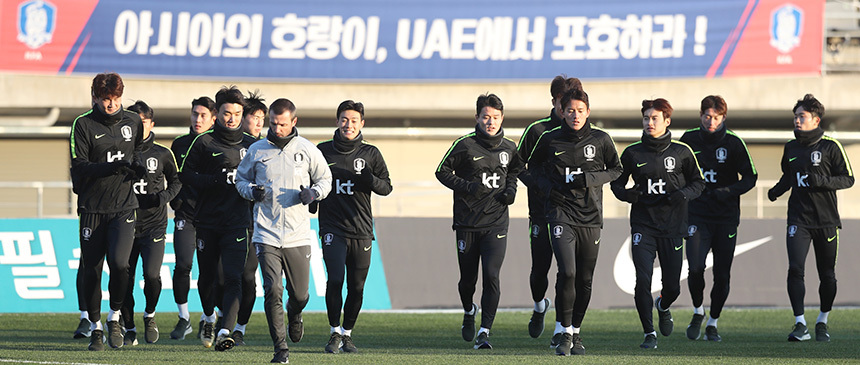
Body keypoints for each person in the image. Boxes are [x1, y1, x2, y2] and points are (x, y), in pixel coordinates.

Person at [520, 89, 621, 355]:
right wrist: (546, 188)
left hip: (590, 216)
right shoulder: (548, 139)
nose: (575, 115)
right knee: (568, 272)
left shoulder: (601, 139)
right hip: (559, 213)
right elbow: (522, 168)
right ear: (561, 112)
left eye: (580, 110)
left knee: (584, 279)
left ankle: (575, 332)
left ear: (588, 111)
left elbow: (617, 169)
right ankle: (563, 332)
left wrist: (590, 179)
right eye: (570, 111)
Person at [236, 98, 332, 364]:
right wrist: (251, 191)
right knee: (272, 290)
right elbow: (240, 179)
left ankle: (296, 312)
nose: (277, 128)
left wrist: (314, 193)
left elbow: (326, 179)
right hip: (266, 233)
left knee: (300, 294)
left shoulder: (307, 149)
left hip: (297, 234)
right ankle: (281, 349)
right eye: (274, 123)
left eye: (282, 124)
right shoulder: (256, 150)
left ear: (294, 122)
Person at [610, 98, 704, 349]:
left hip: (673, 227)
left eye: (654, 118)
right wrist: (626, 194)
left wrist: (683, 194)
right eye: (646, 118)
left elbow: (698, 183)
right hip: (644, 225)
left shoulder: (682, 151)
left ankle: (663, 305)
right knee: (642, 280)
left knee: (672, 287)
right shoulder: (632, 153)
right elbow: (616, 184)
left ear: (667, 121)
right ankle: (648, 333)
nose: (649, 123)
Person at [436, 93, 522, 350]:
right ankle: (468, 310)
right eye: (486, 117)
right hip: (467, 223)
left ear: (502, 118)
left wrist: (511, 191)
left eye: (495, 117)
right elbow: (441, 171)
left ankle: (485, 332)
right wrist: (467, 187)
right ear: (477, 118)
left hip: (496, 223)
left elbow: (515, 171)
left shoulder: (509, 147)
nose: (490, 122)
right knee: (467, 280)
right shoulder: (464, 145)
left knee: (492, 276)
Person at [767, 94, 854, 342]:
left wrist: (823, 182)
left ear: (815, 119)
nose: (796, 120)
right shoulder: (791, 147)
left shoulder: (830, 146)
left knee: (827, 274)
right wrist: (776, 191)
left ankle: (822, 321)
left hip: (826, 221)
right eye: (795, 116)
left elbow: (848, 179)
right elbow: (789, 176)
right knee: (795, 269)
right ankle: (800, 324)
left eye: (801, 116)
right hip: (798, 219)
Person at [69, 72, 144, 351]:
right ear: (95, 98)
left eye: (114, 99)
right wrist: (113, 166)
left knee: (121, 264)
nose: (111, 105)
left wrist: (136, 166)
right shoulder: (83, 124)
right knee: (92, 269)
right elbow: (80, 166)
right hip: (92, 207)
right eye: (105, 100)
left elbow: (137, 152)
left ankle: (114, 317)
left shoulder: (133, 121)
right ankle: (95, 327)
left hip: (124, 205)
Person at [178, 86, 257, 351]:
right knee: (208, 278)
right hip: (207, 222)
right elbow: (185, 176)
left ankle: (226, 331)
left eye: (236, 113)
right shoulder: (204, 143)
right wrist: (215, 180)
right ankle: (210, 316)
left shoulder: (252, 145)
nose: (231, 118)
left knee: (235, 278)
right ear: (218, 114)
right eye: (226, 113)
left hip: (239, 222)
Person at [316, 100, 393, 353]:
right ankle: (334, 332)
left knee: (357, 287)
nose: (348, 124)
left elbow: (386, 187)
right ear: (337, 121)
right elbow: (309, 181)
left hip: (361, 229)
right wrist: (311, 203)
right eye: (344, 119)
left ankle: (347, 334)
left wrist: (369, 178)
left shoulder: (371, 154)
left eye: (354, 120)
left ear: (362, 123)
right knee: (335, 279)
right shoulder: (322, 151)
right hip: (332, 228)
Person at [679, 96, 757, 342]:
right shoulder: (689, 140)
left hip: (725, 218)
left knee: (722, 274)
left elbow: (750, 177)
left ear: (723, 118)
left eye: (716, 117)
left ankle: (713, 322)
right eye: (706, 116)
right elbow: (676, 172)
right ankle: (698, 310)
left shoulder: (734, 143)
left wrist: (728, 191)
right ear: (700, 115)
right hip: (696, 215)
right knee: (695, 268)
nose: (710, 121)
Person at [517, 75, 583, 340]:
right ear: (554, 101)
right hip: (543, 211)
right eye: (561, 102)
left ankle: (563, 328)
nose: (567, 108)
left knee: (568, 272)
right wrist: (543, 187)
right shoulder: (537, 131)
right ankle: (539, 305)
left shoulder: (585, 132)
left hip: (575, 215)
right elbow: (517, 165)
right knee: (540, 270)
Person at [120, 101, 182, 345]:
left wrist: (162, 198)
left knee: (152, 275)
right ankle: (129, 327)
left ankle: (150, 315)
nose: (137, 127)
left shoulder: (162, 153)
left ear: (150, 124)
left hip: (154, 225)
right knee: (123, 277)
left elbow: (177, 182)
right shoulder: (120, 151)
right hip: (124, 224)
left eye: (142, 122)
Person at [169, 96, 216, 340]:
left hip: (212, 218)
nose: (198, 119)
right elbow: (173, 177)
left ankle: (209, 317)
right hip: (185, 215)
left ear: (213, 119)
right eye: (195, 114)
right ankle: (184, 317)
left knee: (211, 272)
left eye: (203, 116)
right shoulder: (179, 144)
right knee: (183, 265)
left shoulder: (218, 144)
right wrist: (174, 199)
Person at [230, 90, 267, 345]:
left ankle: (240, 328)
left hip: (258, 223)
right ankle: (217, 319)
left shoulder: (268, 147)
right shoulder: (233, 146)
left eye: (262, 118)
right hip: (229, 220)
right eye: (255, 117)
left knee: (247, 276)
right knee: (224, 276)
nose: (259, 122)